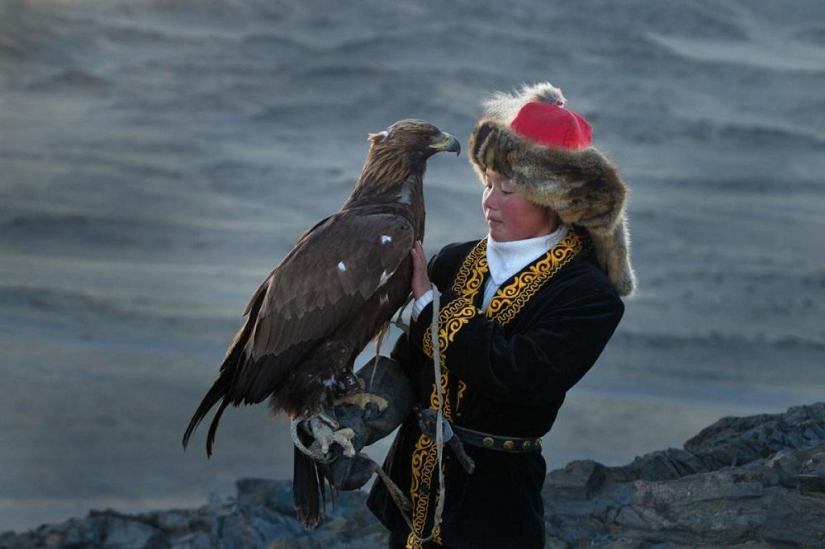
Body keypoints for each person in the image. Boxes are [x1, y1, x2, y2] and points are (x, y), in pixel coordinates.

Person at [366, 82, 635, 549]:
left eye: (507, 189)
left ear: (554, 200)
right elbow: (408, 367)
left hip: (495, 506)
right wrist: (353, 417)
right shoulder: (452, 261)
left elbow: (519, 374)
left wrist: (432, 309)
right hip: (413, 493)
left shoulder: (589, 296)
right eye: (488, 183)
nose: (489, 201)